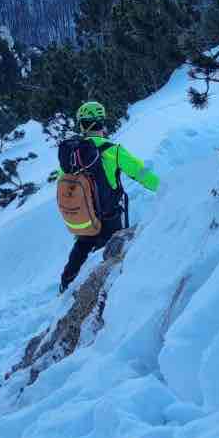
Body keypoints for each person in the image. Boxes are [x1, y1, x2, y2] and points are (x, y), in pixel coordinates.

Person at [59, 100, 160, 293]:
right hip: (109, 218)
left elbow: (62, 180)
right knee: (111, 257)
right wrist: (167, 188)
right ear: (102, 123)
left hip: (84, 216)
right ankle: (106, 292)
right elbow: (142, 175)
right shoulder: (113, 151)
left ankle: (66, 284)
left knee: (82, 246)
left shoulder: (71, 154)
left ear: (81, 124)